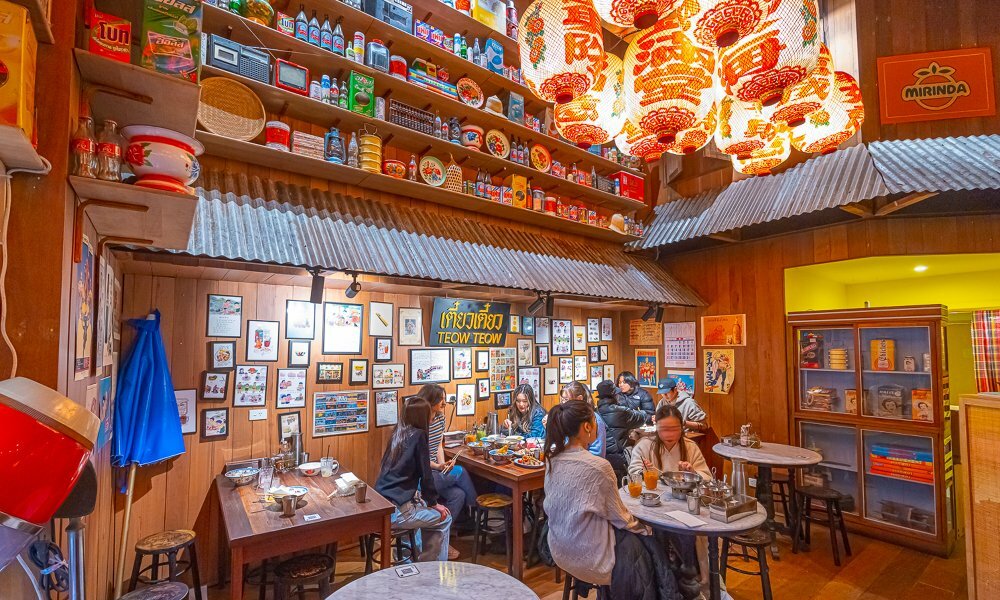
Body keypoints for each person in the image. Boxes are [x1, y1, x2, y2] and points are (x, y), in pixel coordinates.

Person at [543, 400, 680, 599]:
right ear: (587, 426)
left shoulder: (552, 460)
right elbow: (621, 518)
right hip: (592, 558)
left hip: (559, 549)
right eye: (595, 420)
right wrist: (645, 529)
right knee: (650, 544)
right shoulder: (598, 466)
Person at [374, 395, 452, 561]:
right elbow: (426, 475)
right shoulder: (419, 435)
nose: (433, 416)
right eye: (430, 414)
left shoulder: (398, 433)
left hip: (383, 505)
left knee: (420, 507)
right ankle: (432, 567)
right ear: (422, 416)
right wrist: (434, 503)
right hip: (399, 512)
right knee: (445, 517)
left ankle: (407, 562)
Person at [416, 384, 478, 552]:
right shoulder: (420, 422)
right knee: (461, 471)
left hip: (435, 469)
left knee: (459, 494)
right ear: (431, 401)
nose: (444, 403)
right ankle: (477, 509)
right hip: (423, 476)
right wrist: (437, 466)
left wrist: (444, 465)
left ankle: (440, 537)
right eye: (441, 399)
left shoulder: (440, 418)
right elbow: (420, 458)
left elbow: (438, 446)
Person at [628, 404, 711, 481]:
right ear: (656, 427)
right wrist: (644, 473)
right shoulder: (644, 445)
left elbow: (707, 477)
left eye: (674, 429)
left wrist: (693, 474)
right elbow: (633, 473)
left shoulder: (690, 446)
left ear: (682, 428)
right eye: (664, 429)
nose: (669, 435)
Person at [596, 380, 649, 480]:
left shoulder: (594, 412)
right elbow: (641, 418)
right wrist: (640, 411)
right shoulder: (621, 411)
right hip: (619, 458)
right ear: (615, 395)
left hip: (601, 458)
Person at [544, 381, 606, 457]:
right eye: (562, 400)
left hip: (586, 464)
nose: (563, 403)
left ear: (579, 398)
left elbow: (598, 453)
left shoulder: (594, 419)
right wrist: (550, 427)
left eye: (566, 400)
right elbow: (560, 443)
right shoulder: (565, 417)